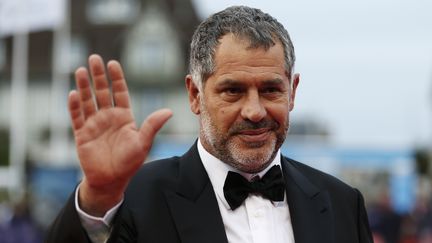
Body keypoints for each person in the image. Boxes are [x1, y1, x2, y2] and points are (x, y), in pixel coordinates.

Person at [46, 6, 373, 243]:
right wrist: (98, 197)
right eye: (233, 90)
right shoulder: (138, 197)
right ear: (194, 94)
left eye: (271, 89)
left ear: (292, 92)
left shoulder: (342, 202)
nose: (255, 111)